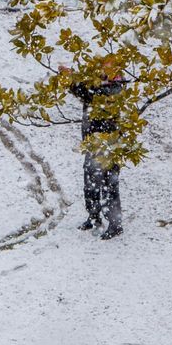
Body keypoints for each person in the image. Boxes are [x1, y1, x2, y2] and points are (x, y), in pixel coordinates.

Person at [64, 64, 127, 240]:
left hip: (110, 144)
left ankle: (115, 225)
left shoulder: (115, 87)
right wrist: (72, 80)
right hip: (93, 143)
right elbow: (84, 93)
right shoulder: (98, 84)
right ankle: (93, 217)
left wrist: (72, 79)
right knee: (90, 182)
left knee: (109, 184)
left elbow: (90, 94)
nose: (102, 69)